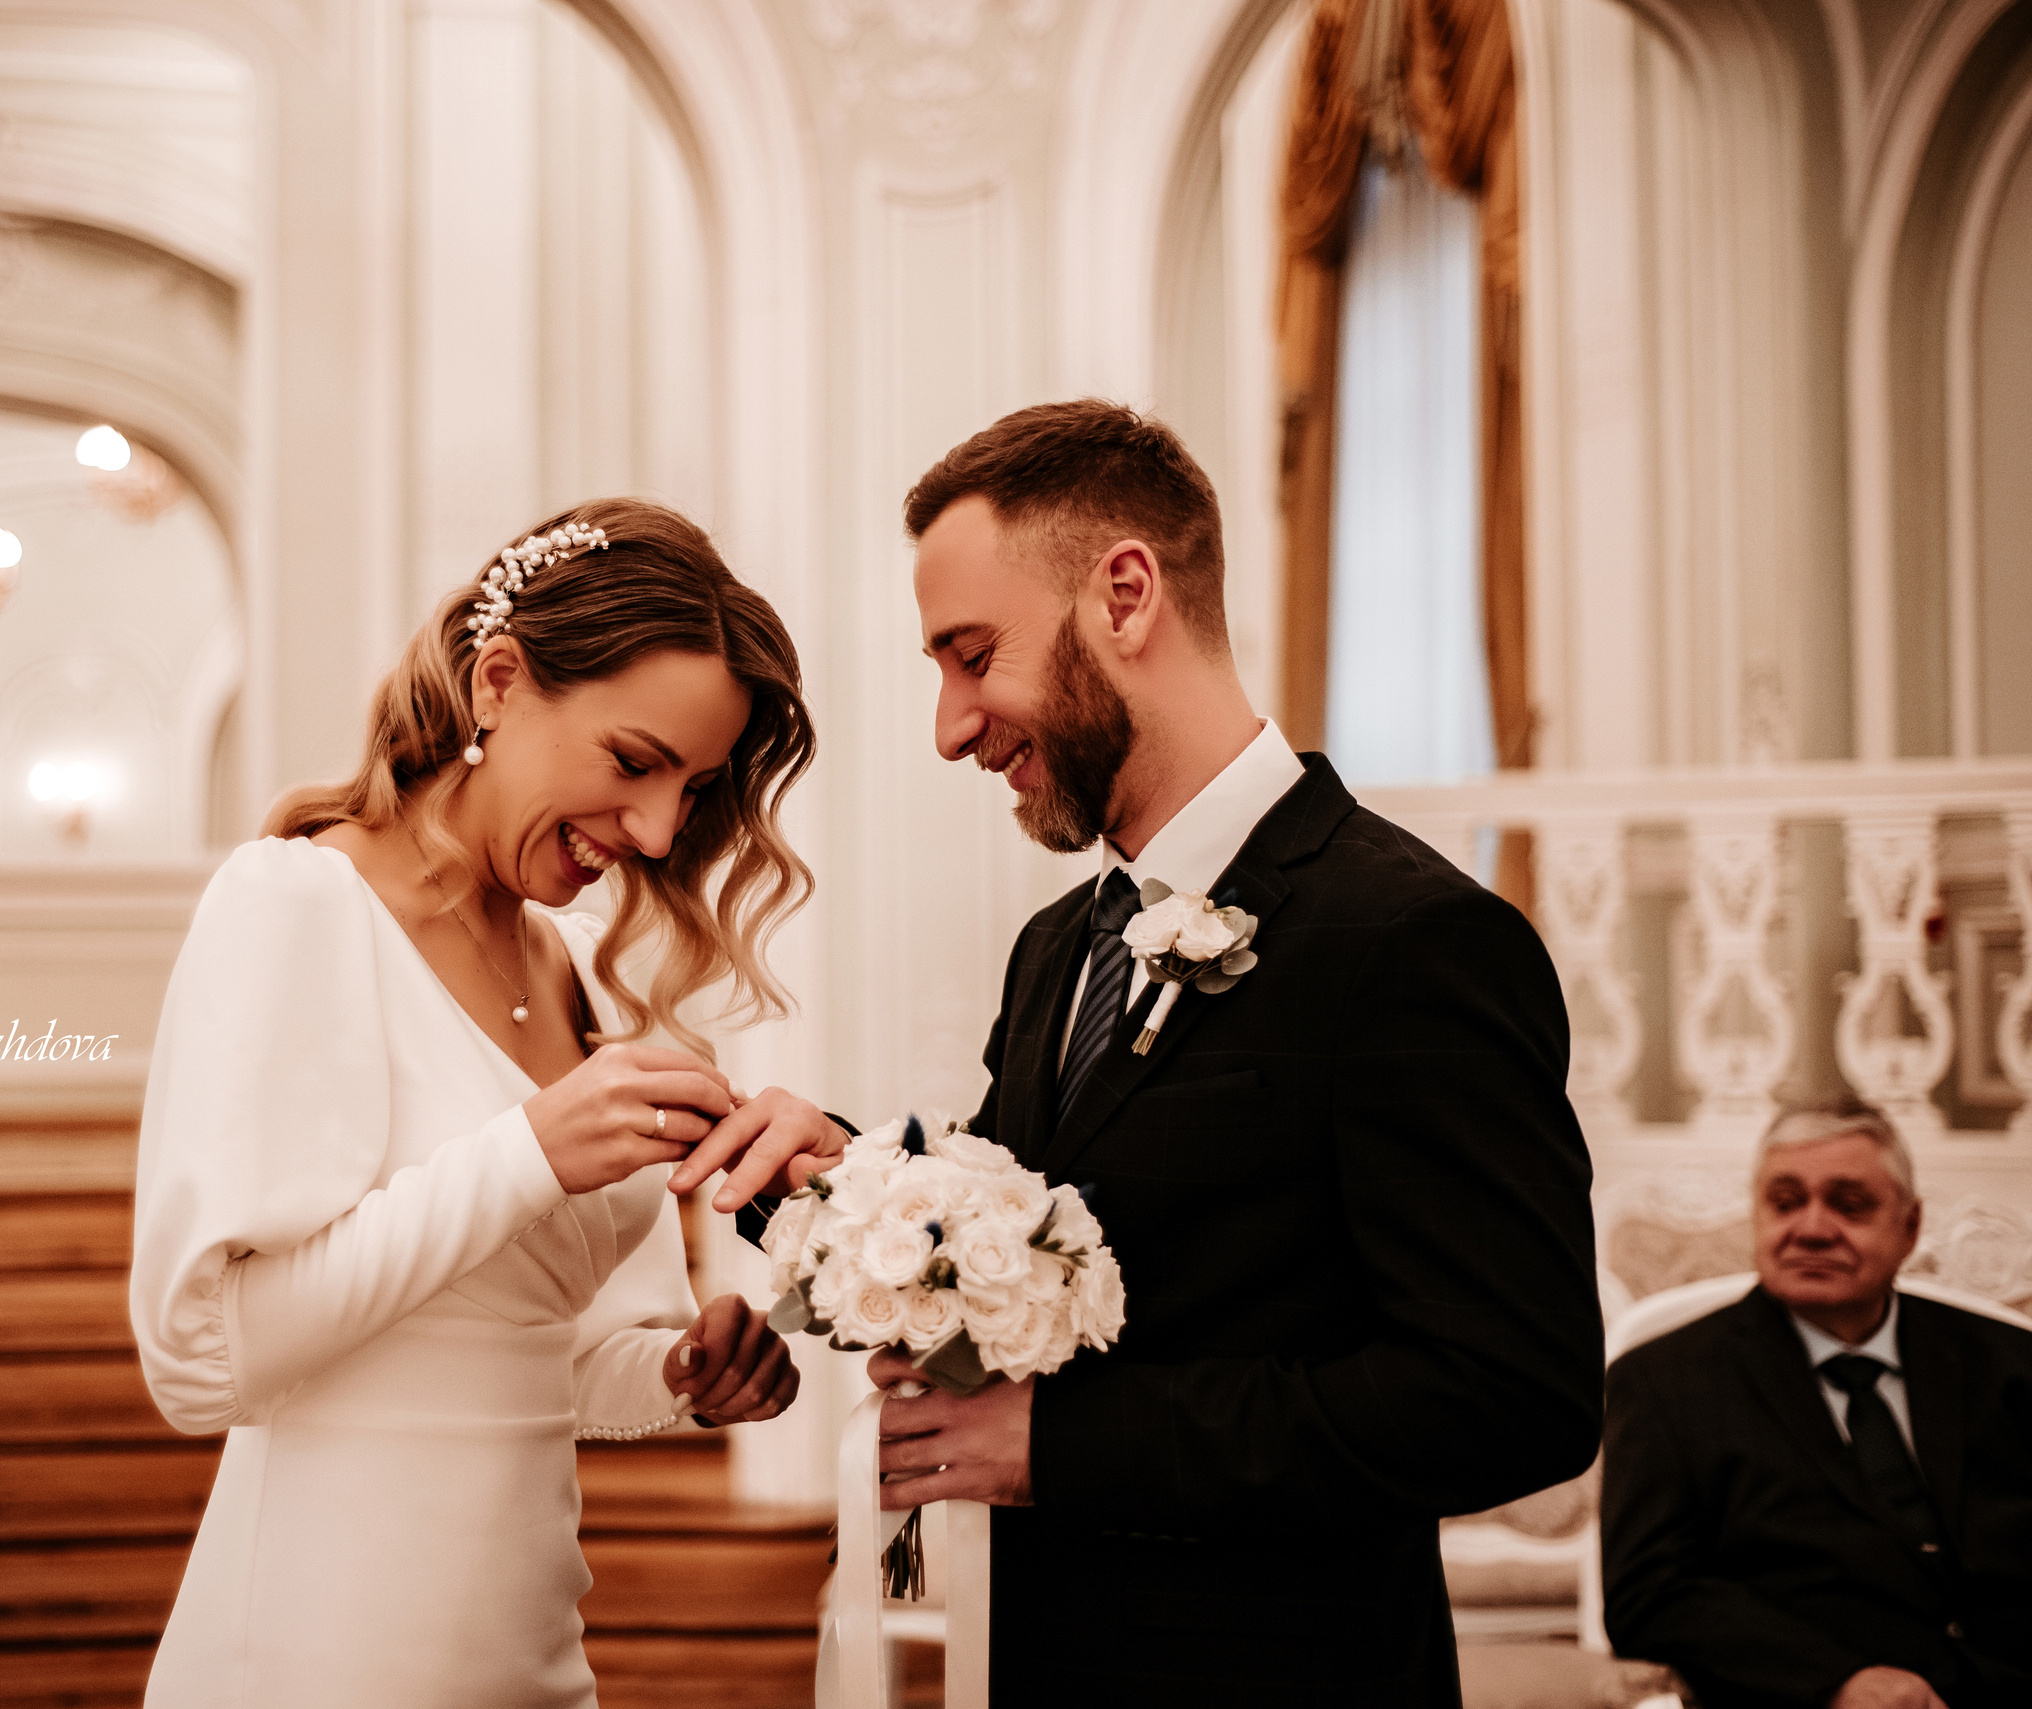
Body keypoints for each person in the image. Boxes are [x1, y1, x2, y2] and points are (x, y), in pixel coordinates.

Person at [860, 400, 1604, 1704]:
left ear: (1127, 593)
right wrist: (838, 1205)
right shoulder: (1055, 951)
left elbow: (1511, 1391)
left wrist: (1067, 1449)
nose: (951, 724)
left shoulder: (1411, 937)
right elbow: (1043, 1254)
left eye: (973, 656)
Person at [129, 497, 851, 1707]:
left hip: (531, 1650)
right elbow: (203, 1360)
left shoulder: (562, 962)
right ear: (499, 681)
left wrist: (680, 1369)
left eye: (695, 785)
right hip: (325, 1651)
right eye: (633, 762)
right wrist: (526, 1152)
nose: (660, 827)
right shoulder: (296, 903)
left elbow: (547, 1360)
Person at [1602, 1099, 2032, 1708]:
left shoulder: (2012, 1365)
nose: (1811, 1227)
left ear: (1908, 1228)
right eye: (1784, 1202)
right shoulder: (1664, 1382)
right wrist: (1836, 1683)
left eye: (1849, 1205)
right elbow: (1647, 1595)